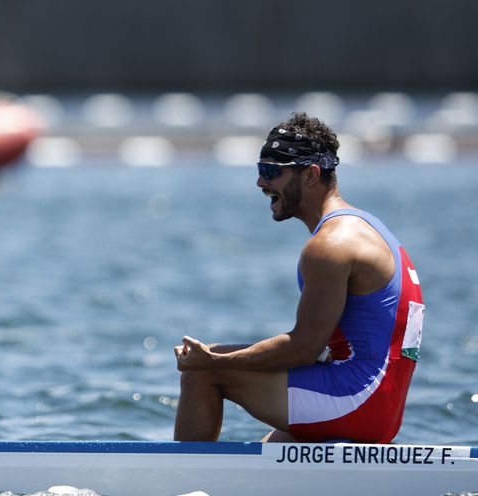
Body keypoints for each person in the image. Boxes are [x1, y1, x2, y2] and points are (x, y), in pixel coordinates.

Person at [173, 112, 424, 444]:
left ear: (311, 175)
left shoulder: (329, 246)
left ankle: (182, 484)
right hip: (382, 406)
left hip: (359, 399)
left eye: (271, 172)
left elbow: (304, 348)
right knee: (266, 451)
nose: (261, 184)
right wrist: (218, 353)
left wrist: (215, 360)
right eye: (260, 171)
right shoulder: (368, 227)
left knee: (203, 372)